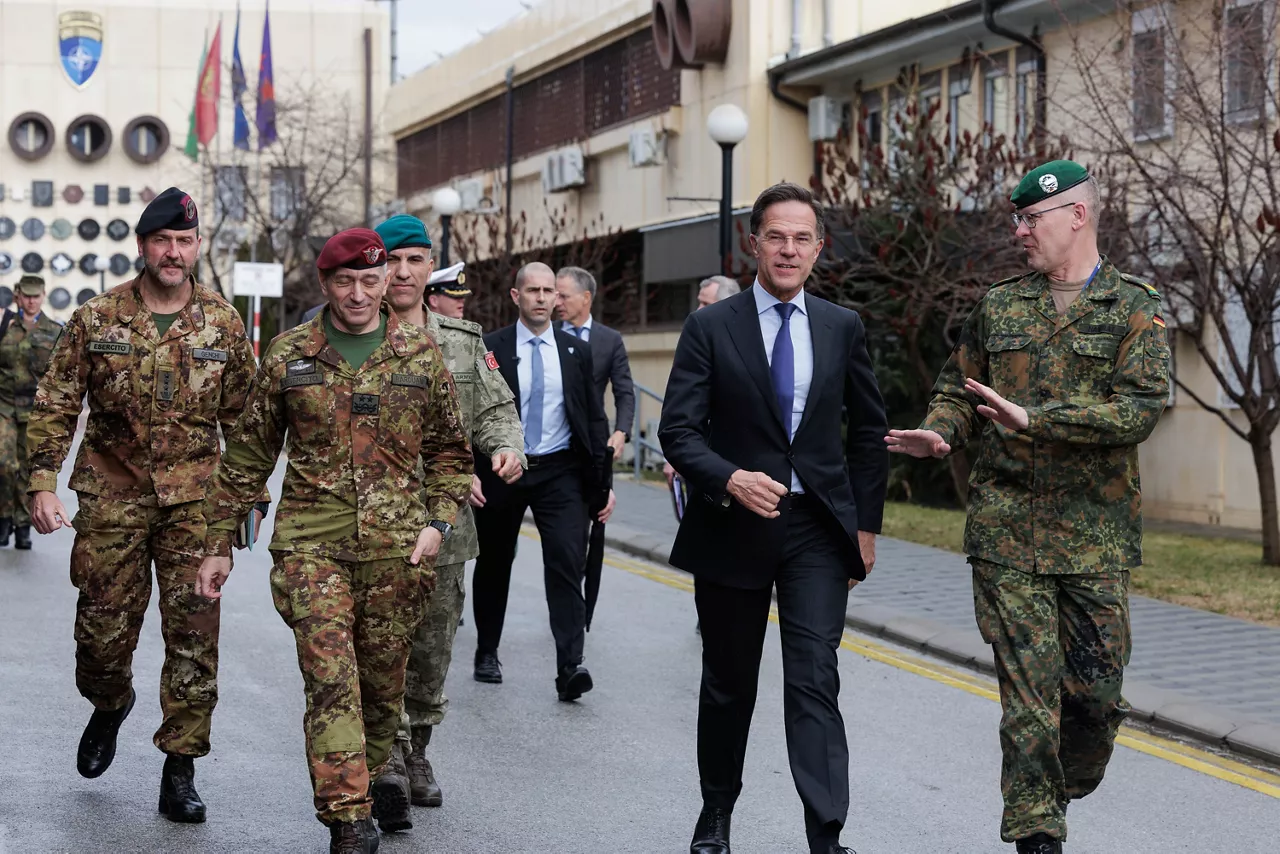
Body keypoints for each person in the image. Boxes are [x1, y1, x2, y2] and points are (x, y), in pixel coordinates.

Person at [886, 160, 1170, 854]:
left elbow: (1137, 412)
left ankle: (1054, 786)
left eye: (1031, 218)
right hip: (1006, 533)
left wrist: (1034, 418)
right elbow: (960, 387)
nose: (1019, 231)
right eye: (1016, 219)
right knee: (1029, 704)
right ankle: (1037, 833)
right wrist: (940, 429)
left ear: (1077, 215)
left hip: (1094, 540)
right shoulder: (1000, 306)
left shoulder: (1136, 307)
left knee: (1096, 702)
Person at [195, 227, 473, 854]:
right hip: (309, 548)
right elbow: (246, 455)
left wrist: (438, 525)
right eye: (344, 282)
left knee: (381, 691)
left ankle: (370, 783)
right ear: (325, 285)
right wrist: (218, 543)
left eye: (369, 281)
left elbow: (452, 454)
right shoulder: (291, 355)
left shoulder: (420, 355)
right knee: (330, 681)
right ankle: (346, 819)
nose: (357, 293)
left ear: (387, 283)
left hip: (397, 552)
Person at [658, 182, 888, 854]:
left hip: (817, 529)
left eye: (803, 237)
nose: (789, 249)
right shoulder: (710, 327)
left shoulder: (842, 326)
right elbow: (678, 430)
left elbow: (868, 435)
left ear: (819, 248)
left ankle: (825, 832)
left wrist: (864, 531)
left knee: (815, 675)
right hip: (733, 525)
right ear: (752, 242)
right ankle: (716, 813)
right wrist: (728, 477)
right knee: (729, 683)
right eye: (777, 236)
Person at [25, 187, 262, 823]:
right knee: (101, 638)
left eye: (185, 242)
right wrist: (42, 480)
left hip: (197, 505)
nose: (174, 252)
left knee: (193, 640)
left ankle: (180, 768)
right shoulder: (97, 318)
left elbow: (248, 423)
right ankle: (110, 703)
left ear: (197, 247)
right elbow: (54, 403)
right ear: (142, 247)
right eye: (163, 241)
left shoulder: (223, 323)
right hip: (112, 498)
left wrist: (249, 501)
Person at [375, 214, 525, 809]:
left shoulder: (463, 342)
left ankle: (418, 750)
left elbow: (494, 409)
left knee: (434, 646)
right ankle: (387, 751)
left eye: (415, 260)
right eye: (392, 259)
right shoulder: (356, 336)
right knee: (384, 641)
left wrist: (506, 447)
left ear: (429, 266)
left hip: (445, 525)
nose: (403, 272)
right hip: (373, 521)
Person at [471, 261, 613, 700]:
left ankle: (570, 664)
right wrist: (468, 471)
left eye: (548, 290)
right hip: (503, 468)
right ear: (516, 296)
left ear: (557, 298)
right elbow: (475, 413)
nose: (540, 297)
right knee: (495, 561)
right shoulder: (491, 347)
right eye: (531, 290)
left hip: (560, 471)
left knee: (568, 562)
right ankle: (487, 650)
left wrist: (603, 484)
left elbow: (592, 417)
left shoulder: (575, 350)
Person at [0, 274, 63, 549]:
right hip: (3, 405)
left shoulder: (54, 330)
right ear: (17, 296)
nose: (31, 301)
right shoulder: (4, 324)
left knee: (28, 469)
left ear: (43, 296)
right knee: (3, 464)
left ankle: (23, 525)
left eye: (35, 296)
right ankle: (3, 518)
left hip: (36, 410)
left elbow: (61, 374)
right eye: (26, 296)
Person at [664, 275, 741, 490]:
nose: (698, 309)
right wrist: (675, 457)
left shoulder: (749, 344)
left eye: (705, 304)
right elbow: (684, 409)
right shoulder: (697, 339)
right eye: (699, 302)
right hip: (701, 464)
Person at [554, 266, 635, 461]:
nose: (557, 303)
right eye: (555, 296)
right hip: (550, 443)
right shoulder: (546, 334)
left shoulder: (610, 340)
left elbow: (624, 392)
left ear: (586, 297)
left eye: (564, 297)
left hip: (594, 442)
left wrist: (621, 431)